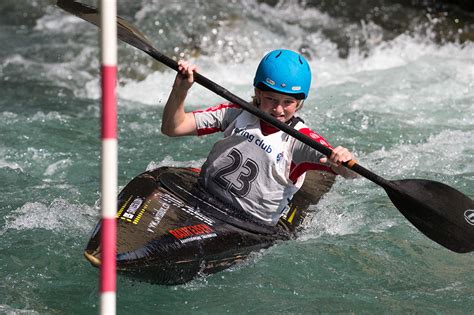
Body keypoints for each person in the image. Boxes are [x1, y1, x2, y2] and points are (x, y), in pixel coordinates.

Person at [161, 49, 356, 227]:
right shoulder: (235, 113)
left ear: (298, 103)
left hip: (247, 224)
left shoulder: (299, 140)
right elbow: (173, 127)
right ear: (258, 93)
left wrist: (343, 160)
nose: (278, 109)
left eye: (288, 102)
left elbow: (351, 173)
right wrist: (180, 90)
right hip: (203, 196)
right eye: (271, 98)